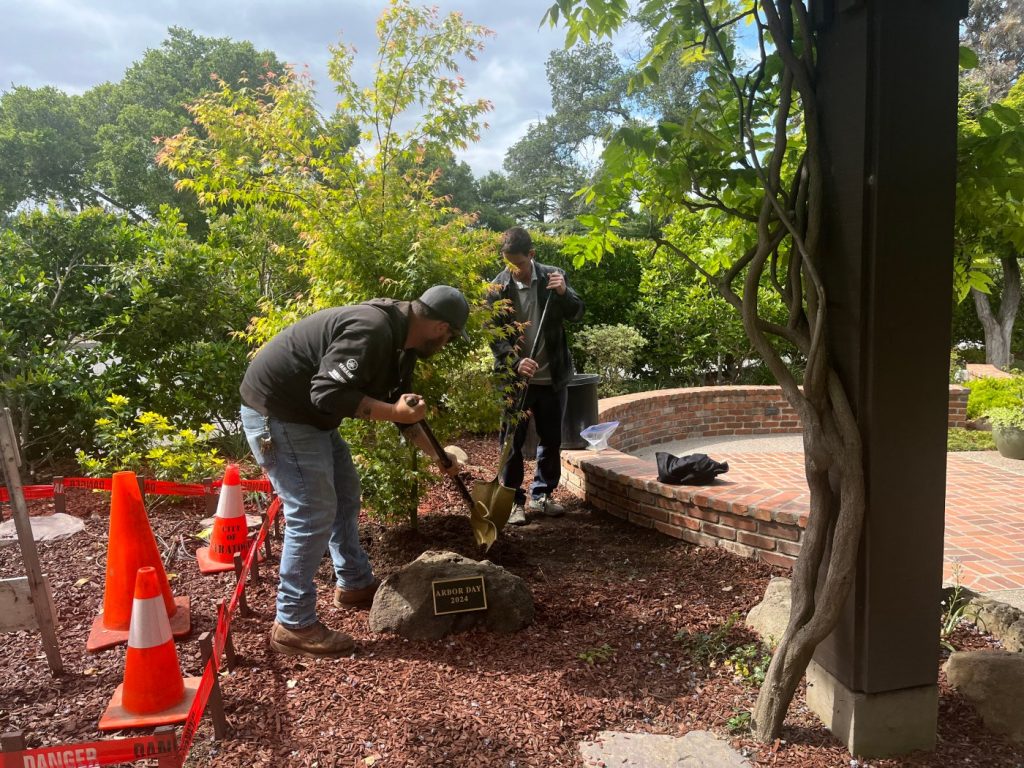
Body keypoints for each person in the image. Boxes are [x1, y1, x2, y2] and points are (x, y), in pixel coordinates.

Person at [239, 285, 470, 658]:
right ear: (440, 327)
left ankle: (355, 584)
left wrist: (438, 456)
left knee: (346, 495)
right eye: (451, 337)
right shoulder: (373, 330)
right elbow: (326, 393)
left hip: (310, 418)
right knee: (312, 512)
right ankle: (293, 624)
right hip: (279, 415)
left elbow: (404, 412)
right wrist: (394, 412)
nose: (447, 344)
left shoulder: (402, 346)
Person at [487, 227, 584, 526]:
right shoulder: (497, 288)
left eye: (517, 263)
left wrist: (563, 292)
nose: (512, 269)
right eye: (507, 263)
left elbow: (577, 312)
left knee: (551, 439)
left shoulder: (553, 277)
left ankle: (542, 494)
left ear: (531, 255)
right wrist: (515, 362)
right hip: (517, 381)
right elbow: (494, 334)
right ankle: (515, 500)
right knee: (512, 442)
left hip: (552, 376)